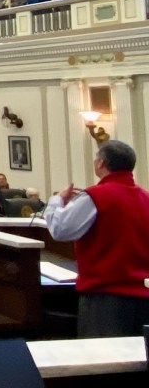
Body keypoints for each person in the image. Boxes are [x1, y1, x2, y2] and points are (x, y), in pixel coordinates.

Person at [44, 140, 149, 337]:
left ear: (100, 163)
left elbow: (59, 229)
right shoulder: (146, 198)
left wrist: (57, 200)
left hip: (105, 299)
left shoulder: (95, 196)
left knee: (106, 362)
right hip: (144, 296)